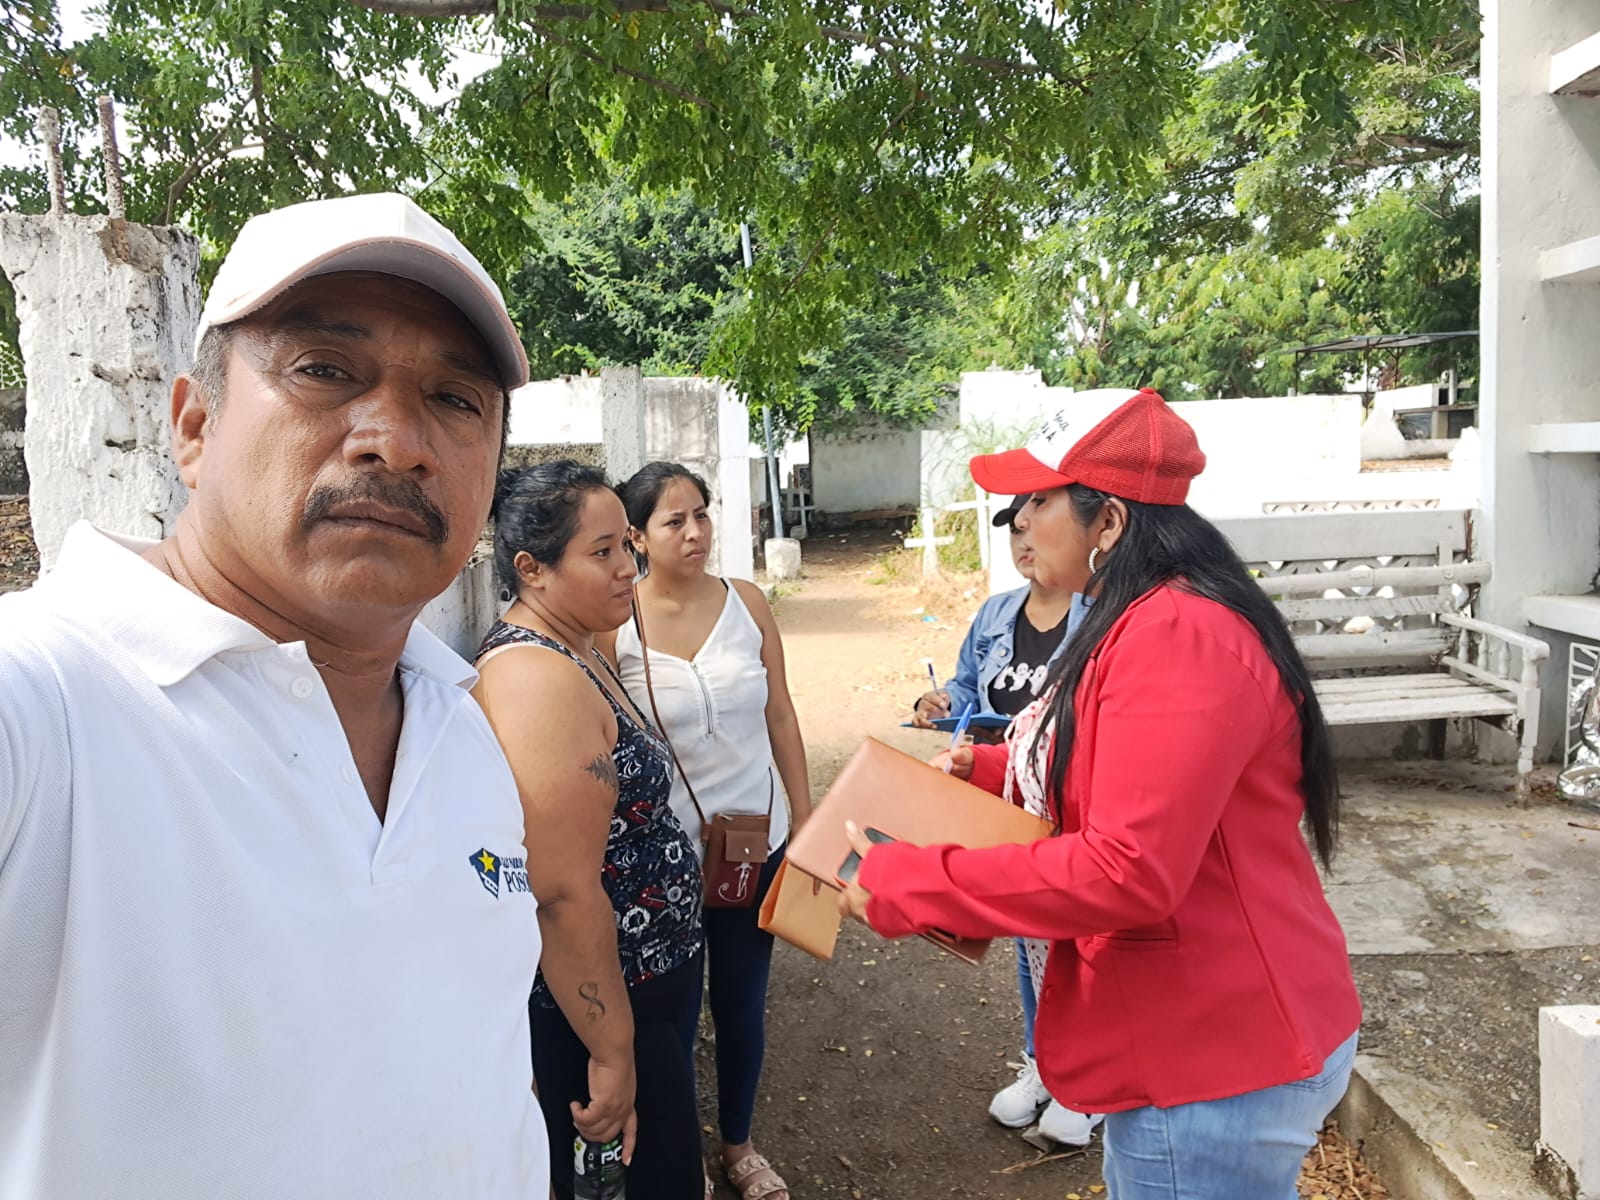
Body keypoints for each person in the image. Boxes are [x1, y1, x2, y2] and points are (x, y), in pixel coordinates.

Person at [0, 193, 548, 1197]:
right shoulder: (44, 704)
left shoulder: (459, 728)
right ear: (194, 425)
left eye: (454, 398)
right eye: (324, 370)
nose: (396, 439)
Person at [840, 389, 1362, 1199]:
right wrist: (991, 774)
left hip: (1213, 1055)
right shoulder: (1141, 615)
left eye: (1039, 500)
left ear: (1109, 522)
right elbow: (1128, 773)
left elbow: (1128, 867)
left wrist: (912, 881)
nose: (1019, 520)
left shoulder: (1176, 635)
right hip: (1202, 1035)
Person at [474, 461, 706, 1200]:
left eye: (625, 546)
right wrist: (611, 1053)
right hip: (602, 1011)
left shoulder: (579, 649)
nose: (628, 568)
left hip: (646, 988)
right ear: (531, 569)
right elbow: (561, 892)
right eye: (601, 551)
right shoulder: (535, 680)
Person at [607, 461, 811, 1200]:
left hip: (755, 841)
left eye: (701, 514)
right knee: (669, 1013)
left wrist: (806, 820)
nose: (695, 532)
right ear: (636, 536)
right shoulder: (615, 624)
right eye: (674, 521)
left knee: (741, 1001)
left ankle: (738, 1144)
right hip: (664, 864)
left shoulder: (747, 603)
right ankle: (679, 1149)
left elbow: (780, 713)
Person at [910, 498, 1101, 1144]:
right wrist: (940, 702)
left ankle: (1088, 1082)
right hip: (1007, 792)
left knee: (1081, 934)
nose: (1024, 541)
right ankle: (1043, 1064)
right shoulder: (996, 614)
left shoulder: (1100, 614)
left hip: (1071, 795)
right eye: (1015, 531)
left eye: (1034, 527)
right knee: (1028, 935)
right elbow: (967, 688)